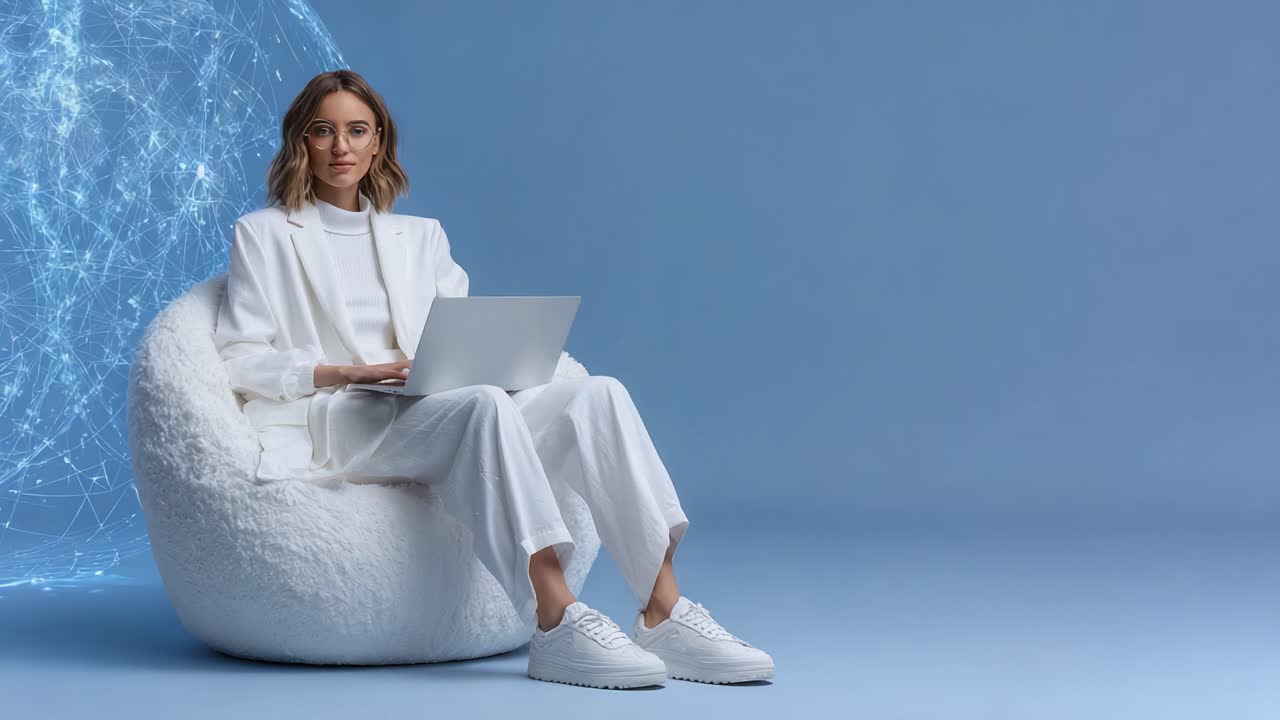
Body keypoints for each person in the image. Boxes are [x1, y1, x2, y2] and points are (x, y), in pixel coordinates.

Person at [213, 69, 774, 689]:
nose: (340, 146)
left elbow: (459, 335)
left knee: (598, 394)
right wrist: (343, 370)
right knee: (480, 404)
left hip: (431, 404)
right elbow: (241, 358)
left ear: (379, 143)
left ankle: (663, 609)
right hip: (345, 418)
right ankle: (555, 621)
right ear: (302, 141)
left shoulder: (420, 237)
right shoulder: (262, 234)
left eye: (356, 131)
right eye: (324, 131)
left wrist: (493, 364)